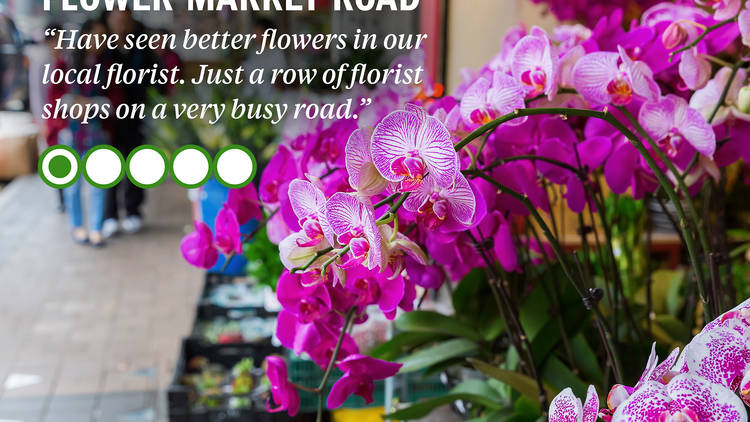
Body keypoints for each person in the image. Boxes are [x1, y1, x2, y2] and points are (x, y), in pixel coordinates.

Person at [101, 8, 161, 238]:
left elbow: (158, 80)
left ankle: (134, 210)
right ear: (109, 21)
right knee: (109, 167)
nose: (121, 24)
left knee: (137, 164)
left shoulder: (142, 49)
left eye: (125, 19)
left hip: (136, 117)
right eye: (116, 19)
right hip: (109, 120)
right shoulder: (103, 50)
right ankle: (110, 215)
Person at [61, 19, 119, 248]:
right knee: (72, 185)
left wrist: (92, 104)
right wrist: (72, 103)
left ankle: (96, 227)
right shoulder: (65, 64)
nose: (98, 41)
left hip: (98, 134)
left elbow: (116, 99)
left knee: (99, 183)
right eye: (94, 35)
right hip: (71, 134)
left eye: (102, 36)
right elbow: (56, 97)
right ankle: (77, 226)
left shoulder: (109, 65)